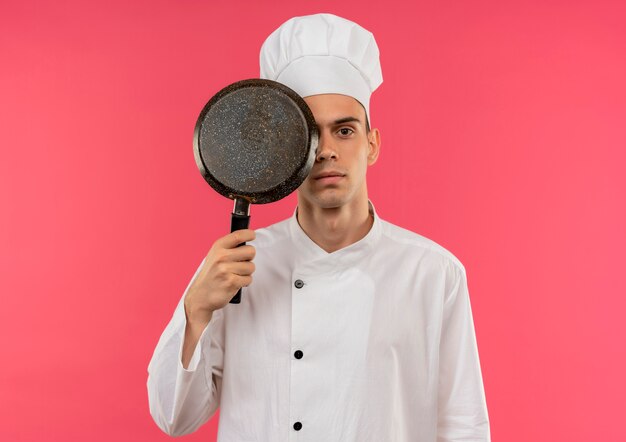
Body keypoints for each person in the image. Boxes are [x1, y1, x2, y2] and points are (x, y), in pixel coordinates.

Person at [147, 13, 490, 441]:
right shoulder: (237, 269)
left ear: (372, 144)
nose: (326, 151)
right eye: (309, 135)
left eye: (344, 130)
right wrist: (195, 311)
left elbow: (463, 425)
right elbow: (173, 418)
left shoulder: (434, 274)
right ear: (285, 149)